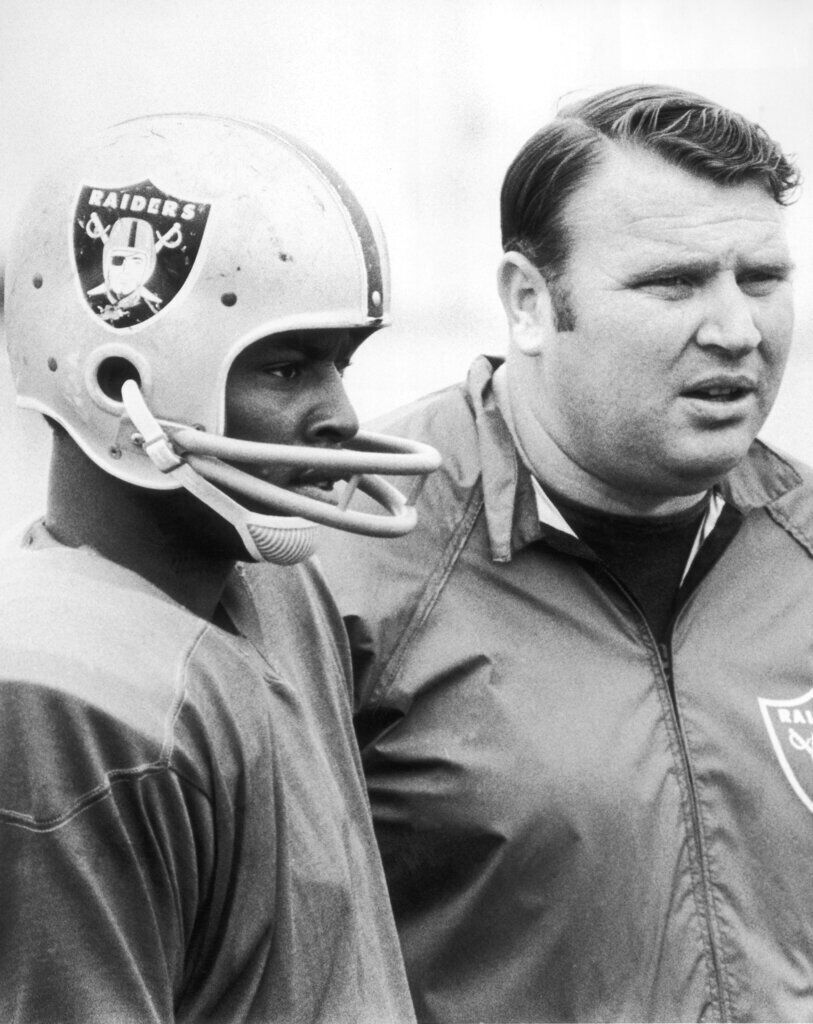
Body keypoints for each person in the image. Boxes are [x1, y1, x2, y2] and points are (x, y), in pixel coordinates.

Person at [311, 85, 813, 1022]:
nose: (736, 330)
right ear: (530, 302)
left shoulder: (801, 546)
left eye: (760, 278)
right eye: (672, 282)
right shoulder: (345, 549)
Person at [0, 113, 439, 1023]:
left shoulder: (273, 585)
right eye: (286, 368)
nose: (337, 412)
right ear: (122, 380)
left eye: (340, 362)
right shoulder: (59, 697)